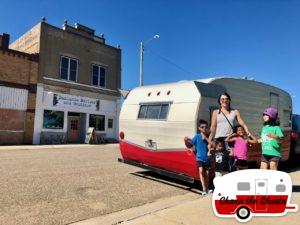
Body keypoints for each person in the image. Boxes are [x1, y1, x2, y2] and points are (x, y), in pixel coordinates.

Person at [184, 120, 211, 194]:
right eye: (202, 127)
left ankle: (207, 189)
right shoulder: (197, 136)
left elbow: (213, 145)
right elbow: (190, 145)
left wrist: (206, 138)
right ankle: (204, 189)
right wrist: (186, 141)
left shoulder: (209, 136)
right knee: (201, 171)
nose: (204, 128)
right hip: (199, 157)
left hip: (207, 158)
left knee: (207, 174)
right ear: (199, 128)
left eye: (205, 127)